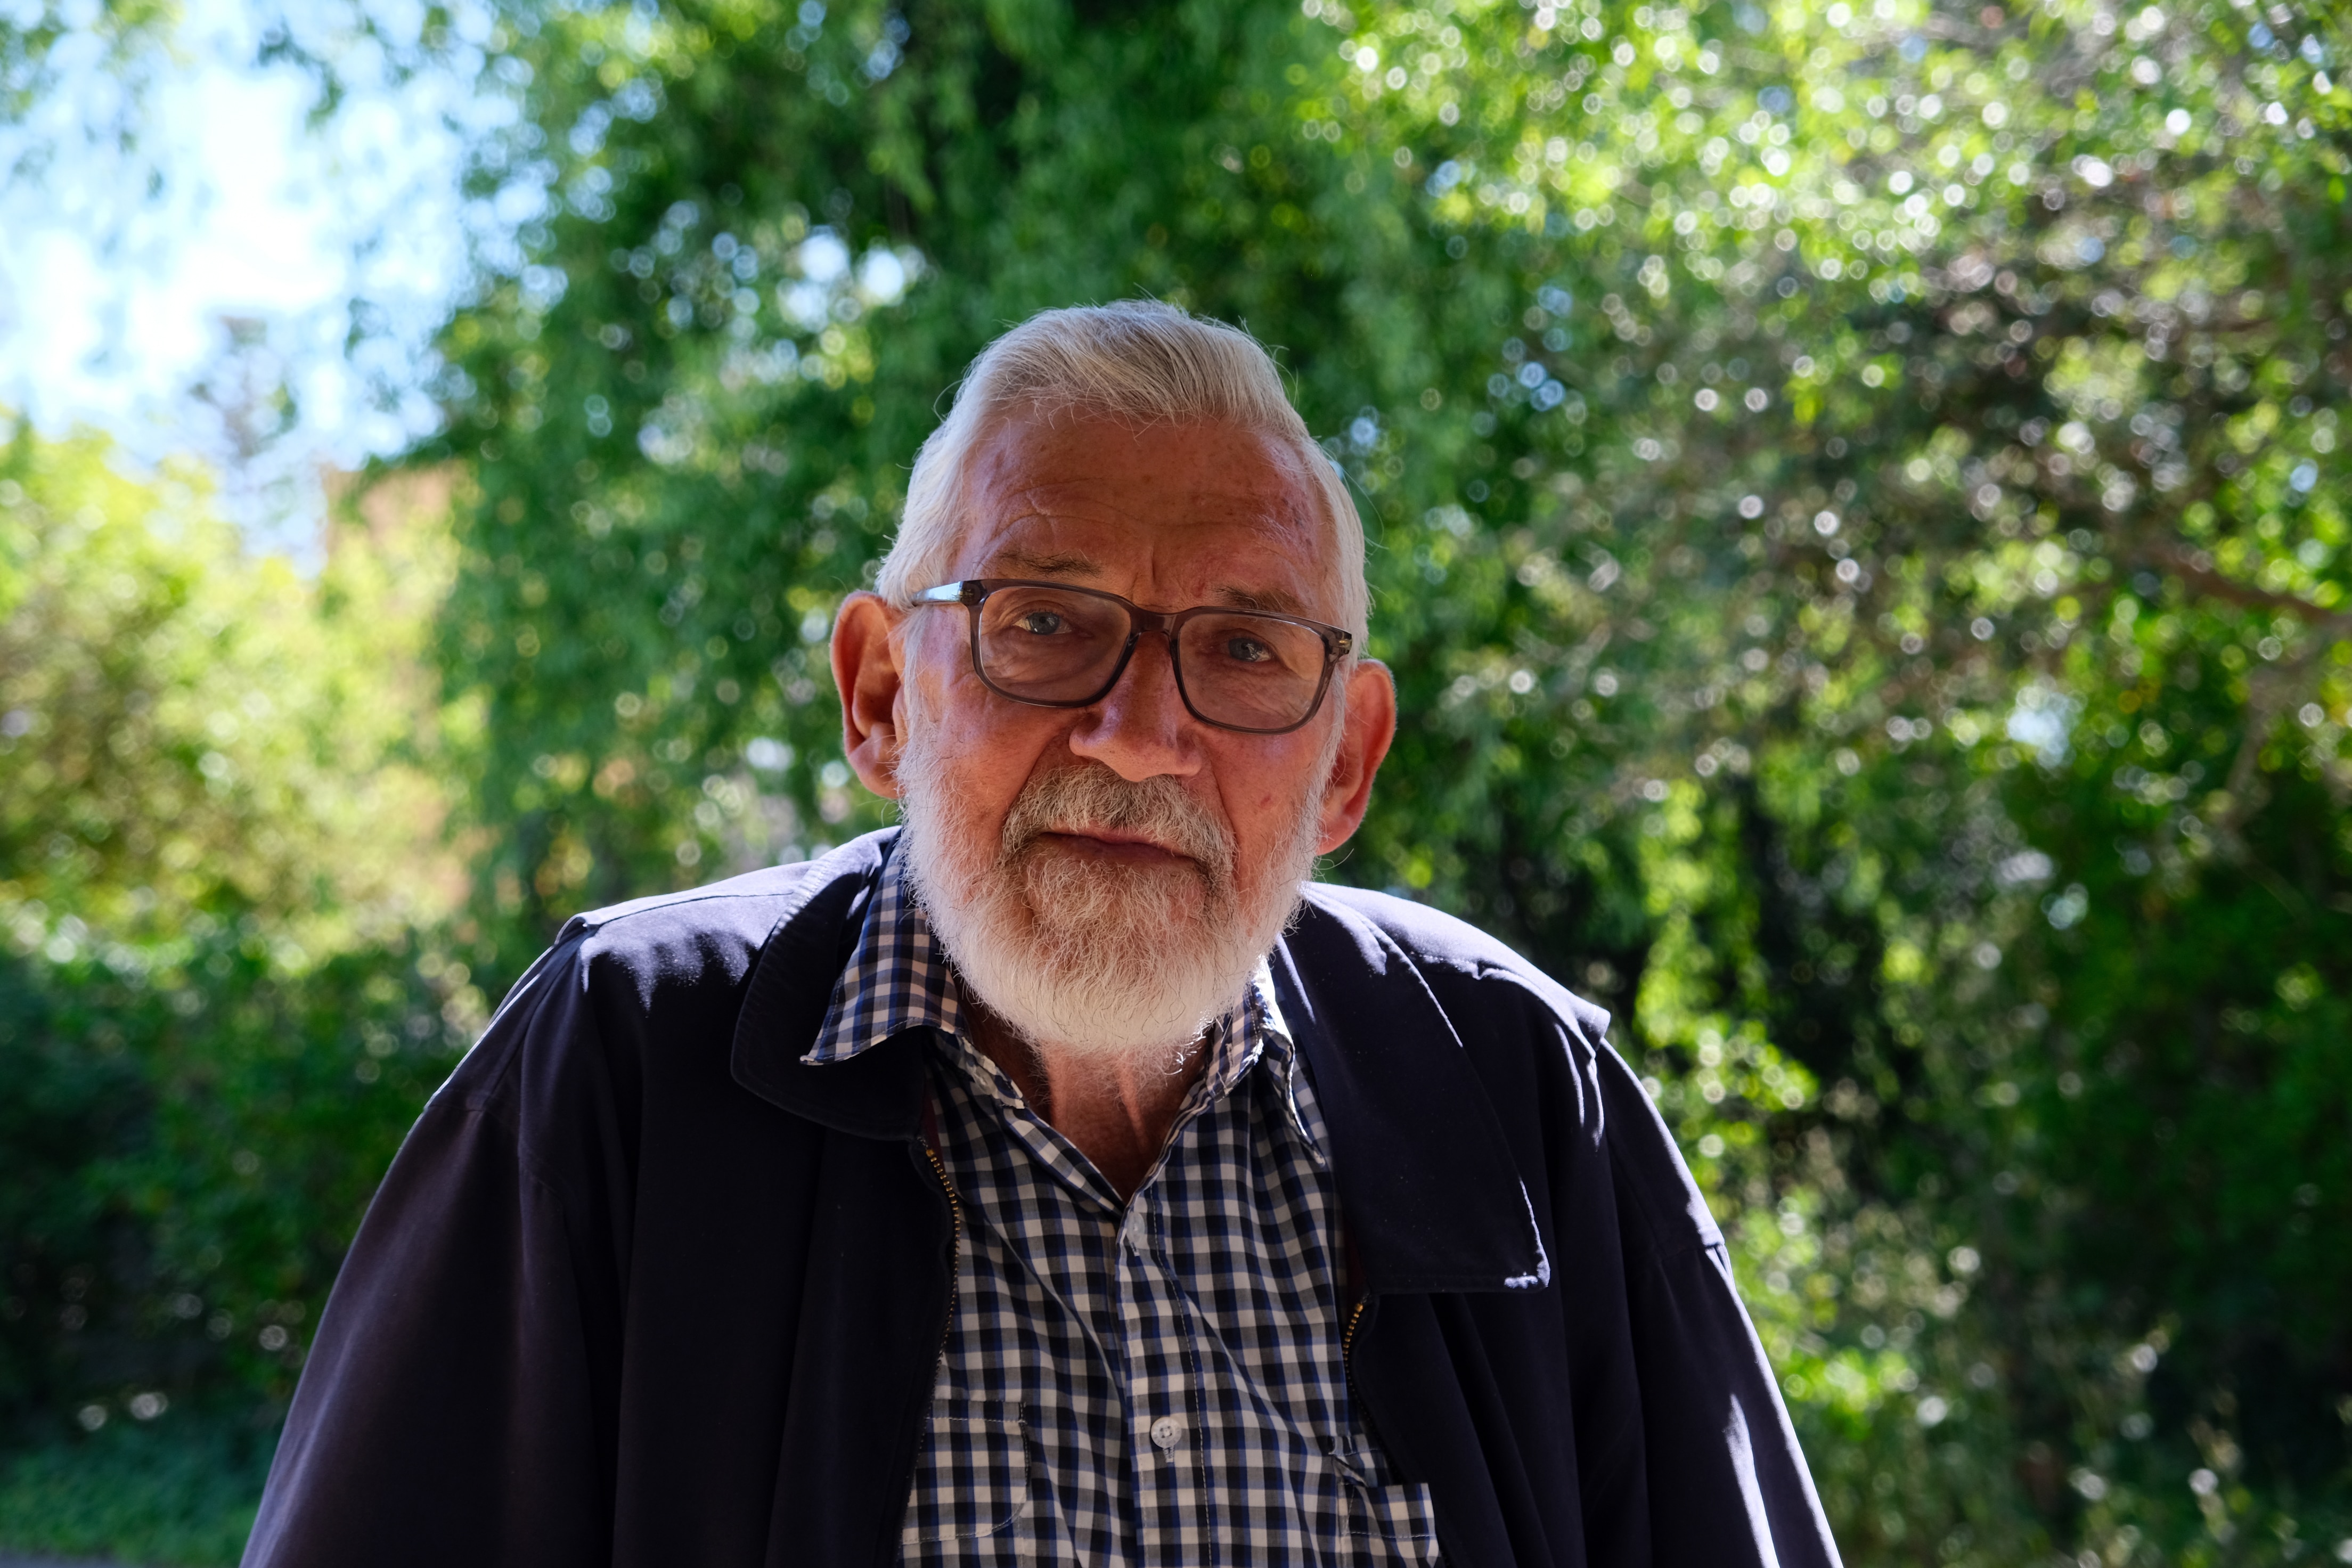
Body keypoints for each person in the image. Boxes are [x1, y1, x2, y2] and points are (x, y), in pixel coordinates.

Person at [242, 303, 1841, 1568]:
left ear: (1345, 759)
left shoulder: (1509, 1089)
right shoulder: (624, 1060)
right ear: (881, 693)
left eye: (1244, 646)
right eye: (1044, 624)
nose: (1140, 735)